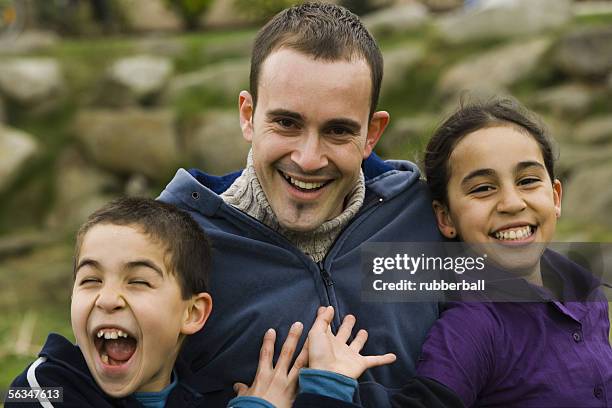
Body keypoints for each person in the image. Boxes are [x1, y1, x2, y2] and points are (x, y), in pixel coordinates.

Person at [158, 2, 448, 406]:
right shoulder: (170, 247)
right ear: (248, 115)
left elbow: (545, 311)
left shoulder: (424, 217)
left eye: (338, 130)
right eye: (287, 123)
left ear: (372, 134)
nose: (309, 159)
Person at [5, 198, 395, 408]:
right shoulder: (45, 387)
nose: (108, 299)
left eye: (138, 282)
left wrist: (327, 390)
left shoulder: (209, 398)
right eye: (90, 280)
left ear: (192, 313)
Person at [406, 99, 612, 407]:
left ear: (555, 196)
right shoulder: (472, 326)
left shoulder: (589, 294)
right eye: (483, 188)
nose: (512, 203)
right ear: (446, 218)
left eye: (528, 181)